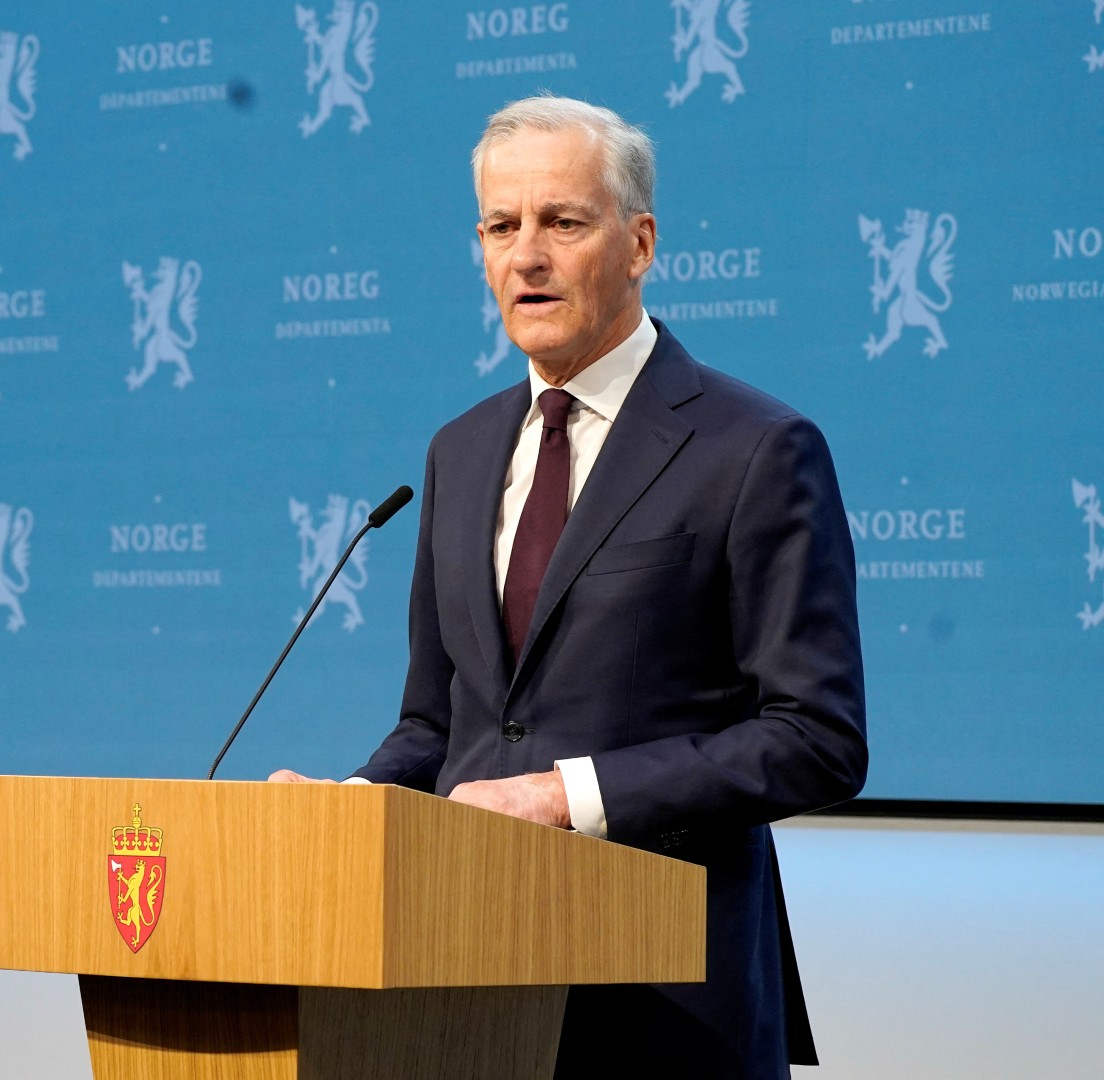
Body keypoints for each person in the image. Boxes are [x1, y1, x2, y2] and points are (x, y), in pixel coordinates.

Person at [269, 95, 867, 1078]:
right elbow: (439, 726)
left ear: (639, 243)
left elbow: (816, 738)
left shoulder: (755, 449)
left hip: (667, 1003)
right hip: (461, 989)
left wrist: (566, 796)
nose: (527, 257)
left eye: (563, 222)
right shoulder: (459, 453)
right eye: (502, 227)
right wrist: (351, 810)